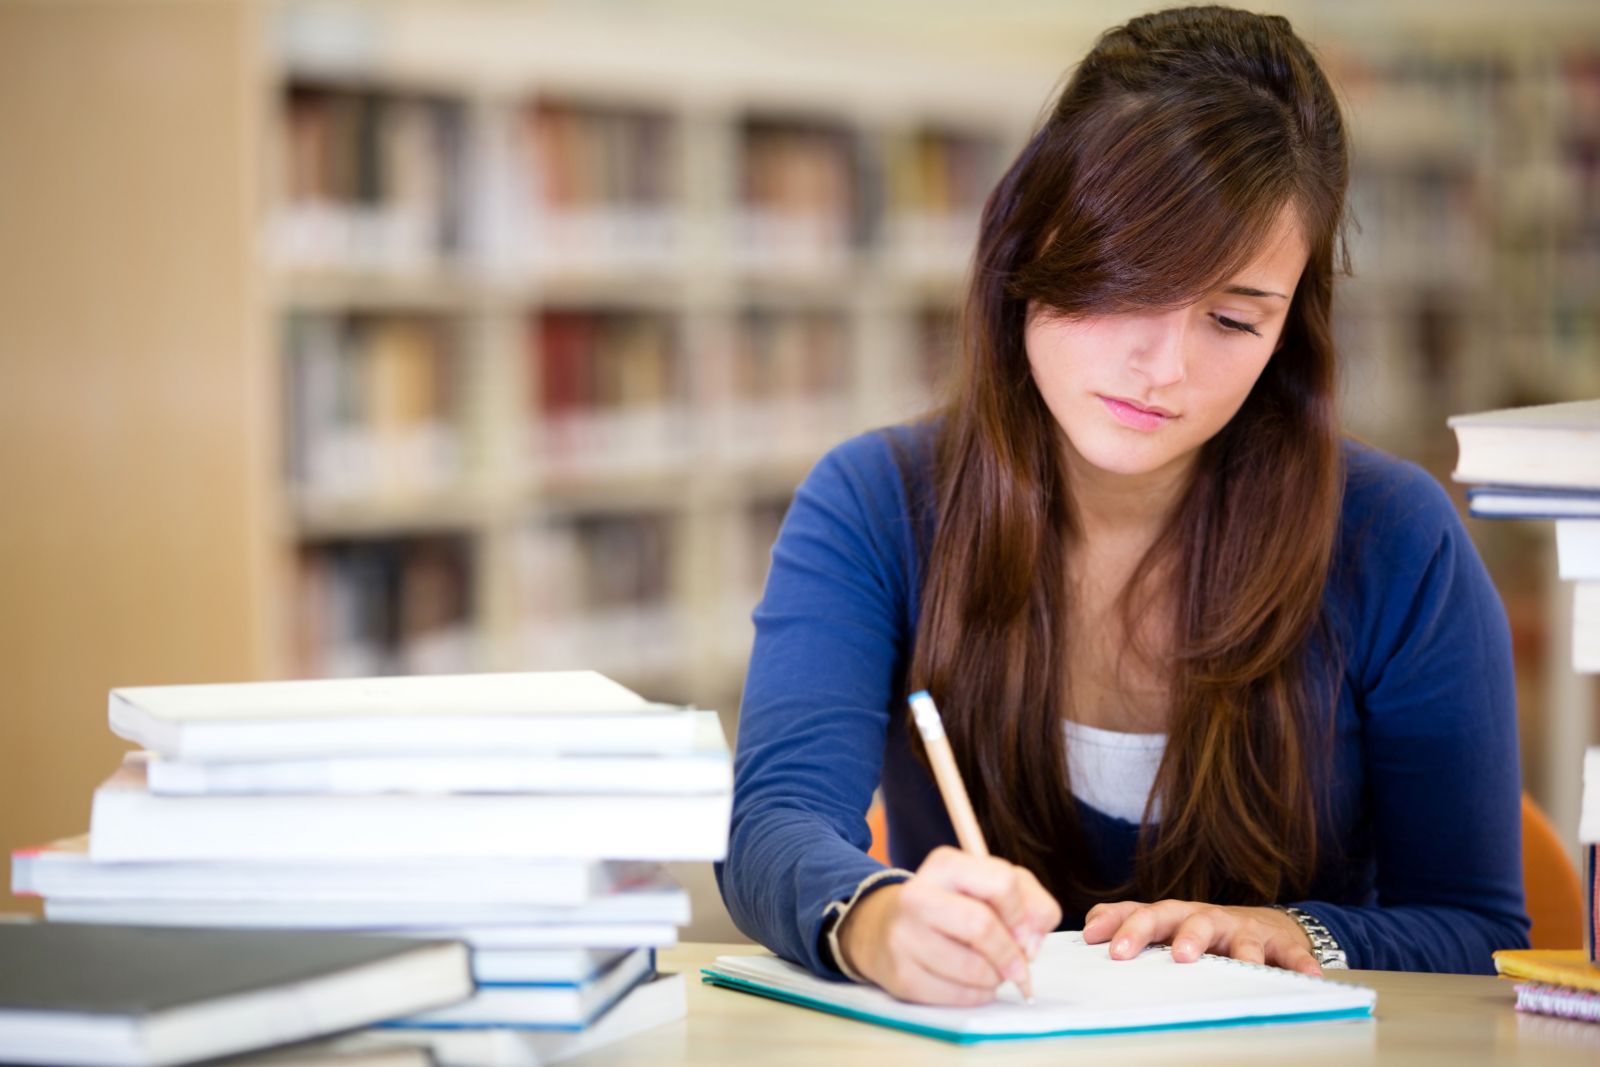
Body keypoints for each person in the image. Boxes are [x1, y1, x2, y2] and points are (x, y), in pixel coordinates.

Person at [715, 4, 1529, 1005]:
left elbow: (1477, 925)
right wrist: (880, 923)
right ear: (1030, 246)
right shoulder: (877, 504)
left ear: (1290, 329)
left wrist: (1297, 931)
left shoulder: (1392, 539)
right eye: (1131, 282)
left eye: (1232, 318)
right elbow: (771, 826)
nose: (1163, 367)